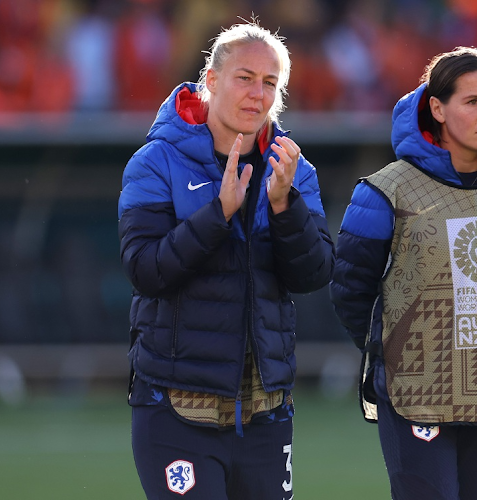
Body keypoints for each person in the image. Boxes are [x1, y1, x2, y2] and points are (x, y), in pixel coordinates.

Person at [118, 21, 335, 500]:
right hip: (176, 408)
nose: (258, 93)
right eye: (245, 77)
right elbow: (146, 270)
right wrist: (218, 214)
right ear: (211, 81)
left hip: (265, 413)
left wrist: (285, 207)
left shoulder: (295, 171)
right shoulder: (156, 162)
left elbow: (315, 273)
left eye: (270, 83)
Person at [330, 46, 477, 500]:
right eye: (472, 102)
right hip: (415, 397)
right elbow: (352, 291)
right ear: (437, 107)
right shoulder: (383, 192)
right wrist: (400, 352)